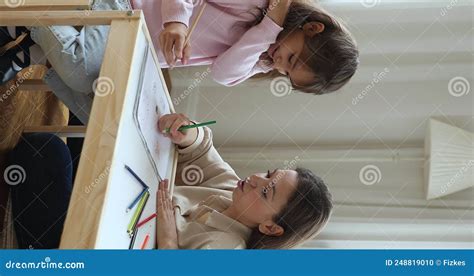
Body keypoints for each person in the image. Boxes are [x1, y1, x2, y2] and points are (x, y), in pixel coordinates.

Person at [0, 0, 358, 124]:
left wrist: (269, 33)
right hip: (128, 9)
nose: (280, 64)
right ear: (311, 27)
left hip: (132, 40)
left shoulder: (263, 50)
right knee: (80, 74)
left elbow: (223, 73)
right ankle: (31, 18)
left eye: (287, 72)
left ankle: (37, 50)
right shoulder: (256, 7)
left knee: (105, 109)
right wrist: (176, 20)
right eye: (292, 58)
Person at [156, 113, 333, 249]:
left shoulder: (228, 247)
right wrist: (189, 133)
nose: (255, 179)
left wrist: (168, 242)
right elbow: (202, 149)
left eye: (265, 193)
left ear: (270, 228)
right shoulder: (231, 191)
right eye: (269, 175)